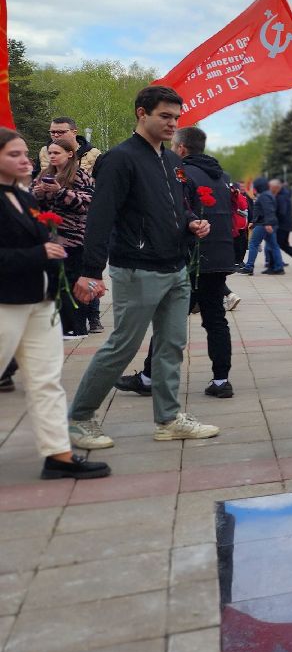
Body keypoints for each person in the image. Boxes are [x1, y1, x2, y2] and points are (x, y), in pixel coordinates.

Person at [66, 85, 221, 448]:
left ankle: (168, 419)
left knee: (172, 345)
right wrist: (91, 269)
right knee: (122, 345)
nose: (172, 124)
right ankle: (80, 417)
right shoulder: (120, 159)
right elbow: (100, 217)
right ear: (142, 113)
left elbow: (174, 209)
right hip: (137, 268)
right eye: (164, 116)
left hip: (175, 266)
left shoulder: (170, 160)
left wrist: (191, 223)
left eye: (176, 118)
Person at [0, 128, 110, 479]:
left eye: (24, 153)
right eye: (12, 154)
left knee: (47, 381)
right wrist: (38, 253)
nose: (26, 160)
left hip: (41, 302)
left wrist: (81, 277)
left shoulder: (26, 197)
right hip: (7, 303)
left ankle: (58, 455)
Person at [119, 127, 239, 399]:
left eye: (174, 146)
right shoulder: (222, 176)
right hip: (220, 255)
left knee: (168, 319)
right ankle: (221, 380)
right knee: (215, 319)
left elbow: (173, 211)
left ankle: (149, 378)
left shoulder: (181, 174)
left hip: (190, 256)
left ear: (182, 148)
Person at [30, 135, 94, 339]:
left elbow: (88, 202)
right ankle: (61, 326)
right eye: (50, 153)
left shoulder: (80, 174)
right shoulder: (44, 175)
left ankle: (78, 327)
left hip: (74, 239)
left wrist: (60, 192)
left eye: (56, 153)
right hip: (51, 238)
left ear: (70, 153)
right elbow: (32, 204)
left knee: (73, 282)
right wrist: (37, 193)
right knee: (55, 282)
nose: (52, 156)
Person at [239, 178, 283, 274]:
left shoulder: (264, 196)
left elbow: (268, 210)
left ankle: (249, 266)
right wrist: (254, 222)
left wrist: (267, 223)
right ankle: (279, 267)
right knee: (274, 245)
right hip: (267, 223)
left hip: (263, 224)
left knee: (253, 243)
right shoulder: (268, 194)